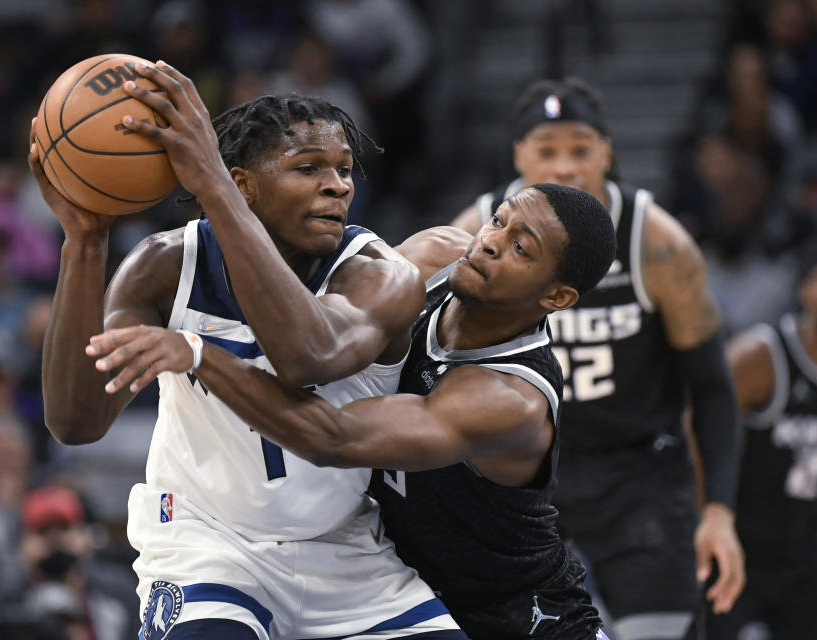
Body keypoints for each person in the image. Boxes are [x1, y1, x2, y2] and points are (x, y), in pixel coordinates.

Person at [30, 60, 464, 639]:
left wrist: (210, 186)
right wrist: (84, 242)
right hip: (205, 542)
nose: (337, 185)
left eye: (343, 169)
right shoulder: (165, 267)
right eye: (307, 168)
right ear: (244, 185)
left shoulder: (379, 274)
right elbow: (76, 422)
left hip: (343, 552)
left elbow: (310, 356)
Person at [87, 183, 616, 639]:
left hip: (519, 614)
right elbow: (315, 336)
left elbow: (334, 436)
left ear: (558, 296)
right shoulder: (429, 259)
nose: (492, 242)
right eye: (499, 220)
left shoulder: (509, 398)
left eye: (521, 248)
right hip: (393, 588)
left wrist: (201, 353)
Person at [450, 78, 745, 640]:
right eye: (547, 150)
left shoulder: (658, 243)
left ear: (607, 152)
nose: (565, 167)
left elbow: (711, 385)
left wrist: (720, 512)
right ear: (518, 156)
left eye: (580, 150)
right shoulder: (474, 235)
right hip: (523, 475)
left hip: (638, 476)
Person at [707, 251, 817, 640]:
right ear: (806, 288)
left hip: (805, 557)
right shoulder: (760, 356)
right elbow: (698, 430)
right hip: (741, 549)